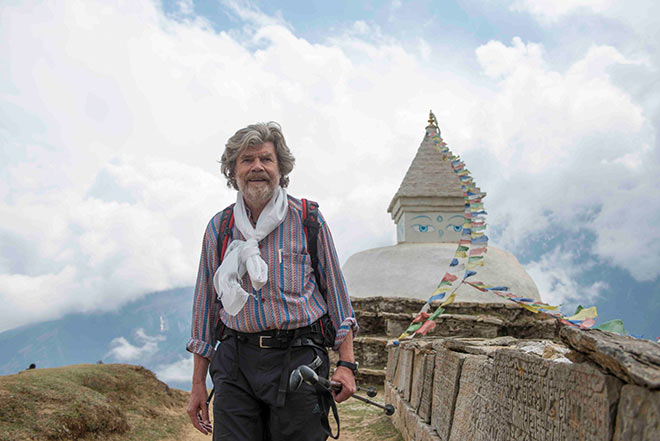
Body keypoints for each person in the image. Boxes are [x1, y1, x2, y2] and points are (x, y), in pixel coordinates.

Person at [186, 122, 359, 441]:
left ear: (281, 168)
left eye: (266, 159)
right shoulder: (219, 228)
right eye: (247, 160)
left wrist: (346, 364)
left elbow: (337, 297)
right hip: (235, 361)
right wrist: (198, 383)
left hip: (298, 358)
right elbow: (205, 311)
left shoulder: (308, 219)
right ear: (233, 171)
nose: (257, 167)